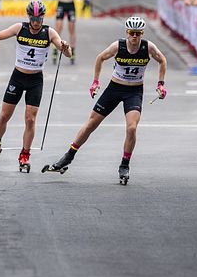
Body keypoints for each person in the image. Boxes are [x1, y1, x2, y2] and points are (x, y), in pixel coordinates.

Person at [42, 16, 167, 184]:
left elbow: (162, 60)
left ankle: (124, 164)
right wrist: (95, 82)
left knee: (131, 128)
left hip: (134, 91)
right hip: (114, 89)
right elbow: (100, 58)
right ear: (127, 32)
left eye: (138, 33)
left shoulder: (148, 47)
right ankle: (68, 157)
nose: (135, 37)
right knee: (91, 124)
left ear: (142, 34)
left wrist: (161, 84)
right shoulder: (118, 46)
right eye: (132, 33)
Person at [0, 0, 71, 170]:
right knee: (5, 115)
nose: (36, 23)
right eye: (33, 19)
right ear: (29, 17)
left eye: (39, 19)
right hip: (18, 77)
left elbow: (67, 53)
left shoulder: (49, 32)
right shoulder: (20, 28)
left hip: (36, 80)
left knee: (30, 119)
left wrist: (65, 47)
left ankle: (25, 154)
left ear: (43, 18)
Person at [49, 0, 84, 65]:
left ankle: (72, 51)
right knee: (58, 28)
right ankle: (55, 49)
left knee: (71, 29)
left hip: (70, 4)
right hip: (61, 3)